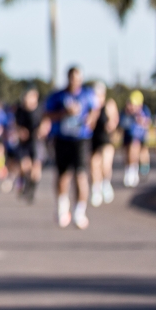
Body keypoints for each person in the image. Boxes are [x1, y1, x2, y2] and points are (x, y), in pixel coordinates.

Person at [44, 66, 100, 229]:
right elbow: (47, 114)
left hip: (81, 138)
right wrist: (64, 113)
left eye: (77, 78)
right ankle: (62, 207)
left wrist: (90, 119)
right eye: (72, 78)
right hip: (62, 139)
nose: (75, 81)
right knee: (63, 174)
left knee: (80, 174)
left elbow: (95, 109)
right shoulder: (58, 96)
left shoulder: (87, 94)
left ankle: (79, 212)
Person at [12, 86, 45, 203]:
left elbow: (46, 121)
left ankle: (31, 189)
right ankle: (23, 182)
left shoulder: (40, 109)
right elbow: (16, 124)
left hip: (36, 141)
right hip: (24, 143)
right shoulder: (20, 110)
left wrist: (42, 130)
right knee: (24, 166)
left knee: (36, 168)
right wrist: (20, 131)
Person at [88, 84, 118, 207]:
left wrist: (111, 124)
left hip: (106, 140)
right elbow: (89, 125)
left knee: (106, 164)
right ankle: (96, 188)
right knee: (94, 165)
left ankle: (106, 183)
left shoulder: (109, 105)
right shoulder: (91, 108)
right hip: (94, 139)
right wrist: (94, 112)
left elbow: (113, 121)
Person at [120, 91, 151, 188]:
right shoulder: (125, 111)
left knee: (137, 152)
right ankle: (129, 171)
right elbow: (121, 123)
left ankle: (136, 171)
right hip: (127, 135)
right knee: (127, 153)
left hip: (138, 135)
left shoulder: (144, 110)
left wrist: (139, 118)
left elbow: (147, 122)